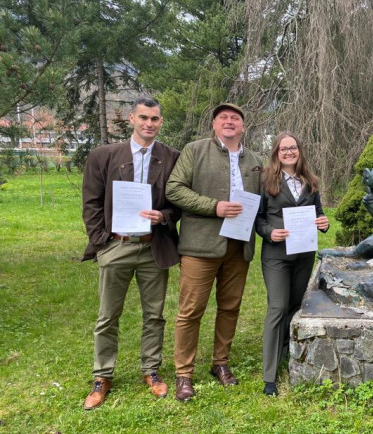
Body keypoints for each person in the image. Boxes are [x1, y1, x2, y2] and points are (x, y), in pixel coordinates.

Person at [81, 96, 180, 410]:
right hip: (117, 245)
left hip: (154, 246)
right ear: (131, 119)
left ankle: (151, 370)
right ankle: (102, 376)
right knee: (108, 316)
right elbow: (91, 204)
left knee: (155, 315)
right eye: (144, 118)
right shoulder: (104, 156)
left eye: (155, 118)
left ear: (160, 122)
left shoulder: (172, 158)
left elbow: (179, 203)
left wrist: (163, 216)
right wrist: (101, 242)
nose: (149, 124)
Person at [166, 102, 263, 401]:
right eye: (223, 118)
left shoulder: (256, 160)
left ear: (243, 126)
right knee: (191, 310)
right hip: (201, 245)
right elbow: (174, 188)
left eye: (235, 118)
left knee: (230, 307)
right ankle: (184, 373)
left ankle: (220, 363)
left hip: (239, 245)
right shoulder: (195, 150)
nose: (229, 121)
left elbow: (268, 199)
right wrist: (214, 207)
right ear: (214, 124)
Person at [255, 133, 329, 396]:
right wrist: (269, 232)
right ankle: (270, 376)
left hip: (303, 254)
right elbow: (258, 219)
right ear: (276, 152)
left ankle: (286, 352)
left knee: (295, 305)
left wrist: (324, 223)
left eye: (293, 147)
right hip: (276, 255)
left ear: (299, 150)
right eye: (283, 148)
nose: (289, 152)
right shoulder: (266, 181)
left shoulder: (310, 181)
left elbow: (318, 213)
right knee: (277, 307)